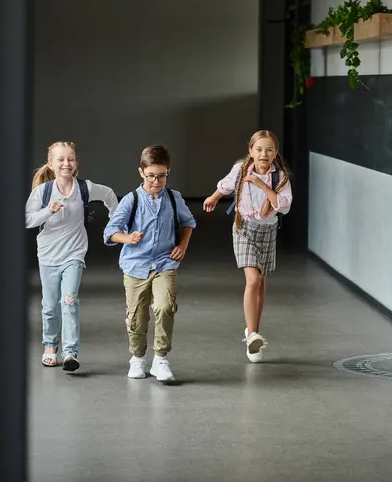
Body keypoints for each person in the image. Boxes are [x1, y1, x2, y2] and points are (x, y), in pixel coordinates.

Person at [103, 145, 196, 382]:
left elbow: (188, 222)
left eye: (162, 175)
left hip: (165, 262)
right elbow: (111, 231)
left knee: (165, 306)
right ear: (141, 172)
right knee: (137, 316)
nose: (156, 181)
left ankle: (161, 359)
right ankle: (137, 358)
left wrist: (182, 245)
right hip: (136, 265)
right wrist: (128, 237)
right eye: (151, 175)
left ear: (168, 172)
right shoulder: (131, 200)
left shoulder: (174, 198)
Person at [26, 141, 118, 371]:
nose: (66, 164)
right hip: (47, 256)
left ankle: (70, 352)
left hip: (74, 254)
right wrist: (49, 210)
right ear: (51, 164)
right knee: (49, 306)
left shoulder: (85, 188)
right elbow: (27, 220)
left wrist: (115, 221)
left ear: (76, 163)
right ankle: (50, 345)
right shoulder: (43, 192)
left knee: (69, 301)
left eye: (70, 159)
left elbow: (109, 194)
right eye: (61, 160)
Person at [203, 130, 292, 362]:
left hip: (267, 231)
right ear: (251, 151)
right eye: (259, 149)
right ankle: (252, 334)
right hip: (243, 228)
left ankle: (253, 332)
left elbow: (283, 206)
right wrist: (213, 198)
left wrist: (263, 186)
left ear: (276, 153)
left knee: (261, 283)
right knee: (252, 279)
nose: (264, 154)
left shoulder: (280, 178)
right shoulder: (241, 169)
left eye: (269, 149)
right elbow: (226, 186)